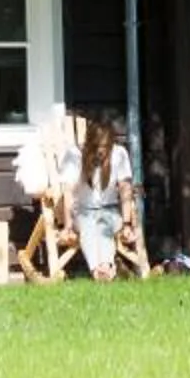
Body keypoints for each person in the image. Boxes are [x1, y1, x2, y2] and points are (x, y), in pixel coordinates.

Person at [66, 114, 134, 281]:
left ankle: (103, 267)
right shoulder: (75, 156)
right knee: (90, 227)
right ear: (89, 144)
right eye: (97, 146)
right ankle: (102, 268)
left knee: (103, 226)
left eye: (105, 146)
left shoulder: (119, 155)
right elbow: (67, 191)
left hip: (110, 210)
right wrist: (67, 226)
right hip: (83, 211)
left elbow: (125, 189)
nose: (101, 151)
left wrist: (127, 224)